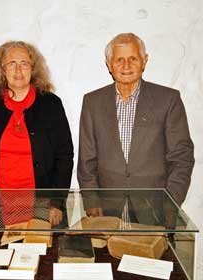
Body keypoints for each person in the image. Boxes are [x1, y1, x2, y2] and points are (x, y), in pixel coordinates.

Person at [77, 33, 194, 218]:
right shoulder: (92, 102)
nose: (126, 66)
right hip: (107, 211)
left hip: (156, 211)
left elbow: (182, 157)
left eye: (133, 58)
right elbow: (87, 160)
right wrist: (91, 201)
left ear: (144, 61)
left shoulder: (168, 100)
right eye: (119, 60)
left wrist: (170, 202)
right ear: (109, 64)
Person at [0, 41, 74, 227]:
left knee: (43, 254)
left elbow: (64, 156)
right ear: (2, 70)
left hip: (44, 204)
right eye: (11, 64)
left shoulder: (51, 104)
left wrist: (57, 202)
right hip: (0, 205)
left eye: (24, 63)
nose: (18, 70)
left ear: (32, 69)